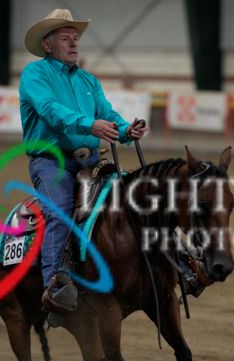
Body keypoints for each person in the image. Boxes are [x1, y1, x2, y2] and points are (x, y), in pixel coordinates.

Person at [20, 9, 147, 315]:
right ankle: (54, 287)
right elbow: (49, 110)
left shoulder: (88, 80)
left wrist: (126, 130)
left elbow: (107, 114)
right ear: (47, 45)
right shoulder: (35, 74)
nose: (74, 43)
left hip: (91, 161)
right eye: (66, 38)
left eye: (75, 38)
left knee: (133, 197)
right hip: (51, 162)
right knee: (60, 210)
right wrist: (90, 125)